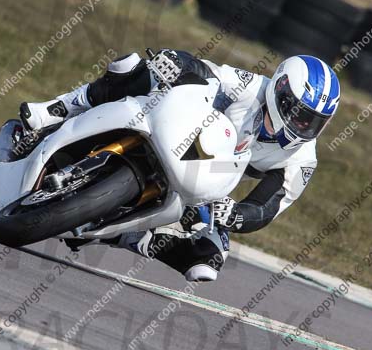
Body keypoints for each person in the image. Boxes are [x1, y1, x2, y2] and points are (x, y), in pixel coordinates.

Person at [19, 50, 341, 282]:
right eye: (297, 112)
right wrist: (175, 60)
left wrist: (236, 215)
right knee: (134, 70)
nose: (301, 125)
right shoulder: (250, 87)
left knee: (207, 258)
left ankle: (119, 234)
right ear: (278, 90)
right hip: (177, 127)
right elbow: (204, 69)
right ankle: (58, 109)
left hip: (205, 184)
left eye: (313, 121)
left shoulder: (301, 160)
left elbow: (267, 206)